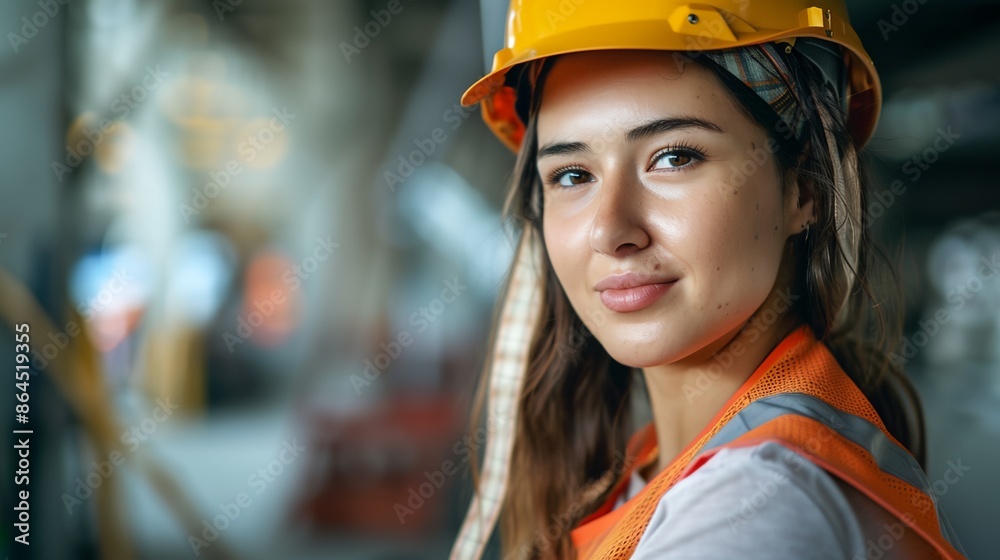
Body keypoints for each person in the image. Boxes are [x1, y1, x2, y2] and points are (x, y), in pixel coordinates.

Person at [449, 1, 968, 558]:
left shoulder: (754, 507)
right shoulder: (667, 467)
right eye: (572, 174)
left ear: (806, 189)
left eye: (673, 157)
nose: (610, 230)